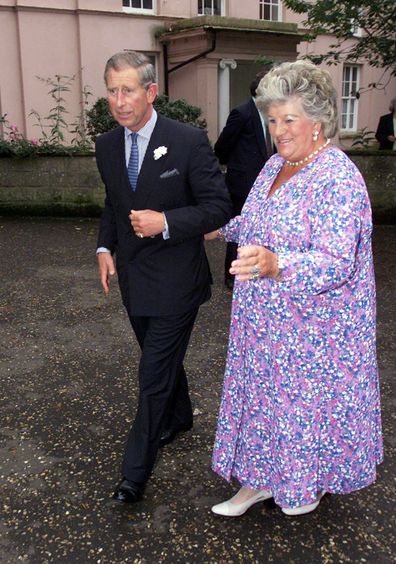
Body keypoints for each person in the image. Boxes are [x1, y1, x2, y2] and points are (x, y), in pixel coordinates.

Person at [206, 60, 383, 517]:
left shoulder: (337, 177)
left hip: (311, 329)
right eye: (272, 119)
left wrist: (276, 262)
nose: (278, 129)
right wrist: (217, 227)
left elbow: (337, 261)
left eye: (289, 119)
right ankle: (256, 482)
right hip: (262, 321)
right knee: (260, 400)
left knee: (298, 409)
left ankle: (303, 483)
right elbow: (255, 221)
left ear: (318, 121)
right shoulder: (274, 166)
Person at [95, 51, 232, 504]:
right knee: (162, 358)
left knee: (152, 374)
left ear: (150, 92)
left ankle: (134, 473)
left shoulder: (188, 140)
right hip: (135, 282)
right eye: (112, 90)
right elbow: (113, 204)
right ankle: (180, 416)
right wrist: (103, 248)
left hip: (177, 283)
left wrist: (166, 222)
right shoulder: (107, 146)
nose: (119, 100)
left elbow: (218, 208)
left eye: (128, 90)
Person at [214, 68, 274, 290]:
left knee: (257, 229)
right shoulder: (242, 113)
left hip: (265, 184)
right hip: (242, 185)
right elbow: (222, 146)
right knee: (238, 229)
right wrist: (238, 168)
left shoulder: (271, 116)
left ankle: (252, 269)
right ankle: (232, 276)